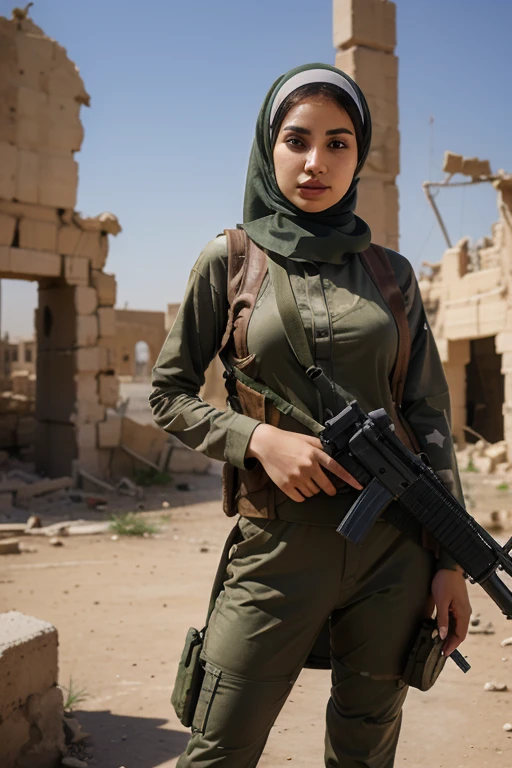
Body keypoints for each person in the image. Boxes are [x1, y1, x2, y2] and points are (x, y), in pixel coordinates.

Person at [150, 63, 471, 768]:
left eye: (339, 142)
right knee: (218, 748)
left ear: (359, 156)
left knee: (365, 749)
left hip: (395, 553)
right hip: (276, 550)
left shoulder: (391, 274)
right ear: (270, 149)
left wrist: (450, 561)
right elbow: (167, 393)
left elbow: (429, 417)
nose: (316, 162)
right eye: (297, 140)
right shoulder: (230, 261)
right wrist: (256, 438)